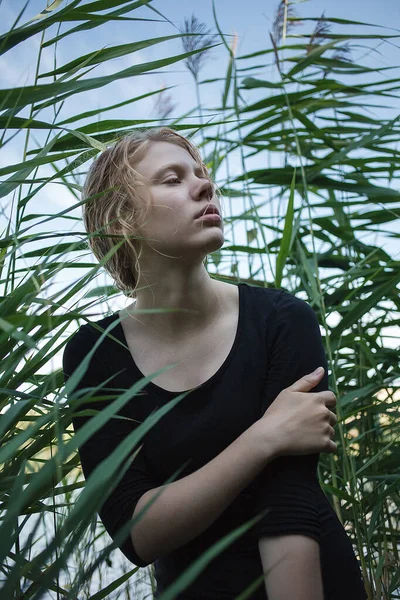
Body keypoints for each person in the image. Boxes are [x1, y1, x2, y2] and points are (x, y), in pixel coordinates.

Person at [63, 127, 367, 599]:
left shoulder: (282, 321)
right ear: (122, 217)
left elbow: (289, 506)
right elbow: (135, 532)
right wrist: (263, 438)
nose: (205, 185)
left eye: (202, 174)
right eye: (171, 179)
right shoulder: (95, 354)